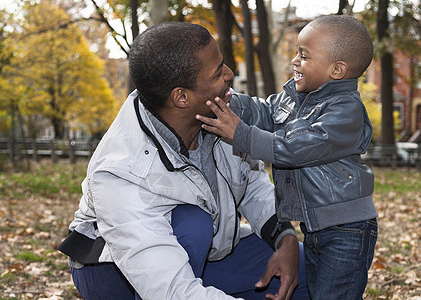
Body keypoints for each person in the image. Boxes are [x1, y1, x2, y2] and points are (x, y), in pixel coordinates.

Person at [58, 22, 309, 300]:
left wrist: (284, 238)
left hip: (208, 254)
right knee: (193, 222)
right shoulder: (121, 172)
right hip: (115, 271)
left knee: (309, 269)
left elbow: (251, 184)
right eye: (217, 73)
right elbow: (172, 291)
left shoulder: (219, 110)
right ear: (182, 97)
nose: (230, 74)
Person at [196, 15, 378, 300]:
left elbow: (296, 149)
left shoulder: (346, 112)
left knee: (335, 294)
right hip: (317, 227)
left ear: (337, 70)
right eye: (296, 53)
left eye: (303, 56)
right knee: (318, 292)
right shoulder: (295, 98)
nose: (294, 61)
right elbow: (265, 112)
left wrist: (240, 134)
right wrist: (227, 100)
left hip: (348, 230)